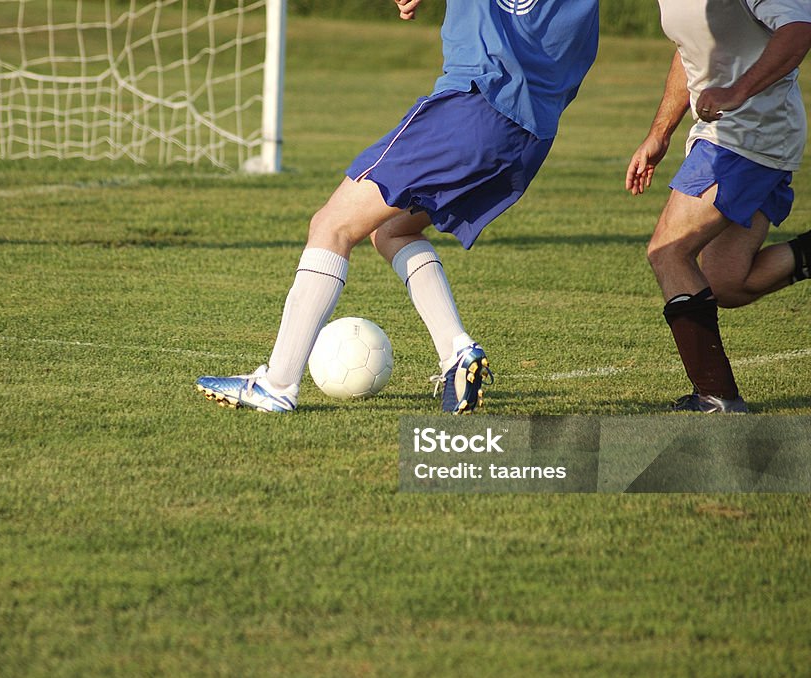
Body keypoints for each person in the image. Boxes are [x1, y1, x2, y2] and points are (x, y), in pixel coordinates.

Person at [195, 0, 600, 413]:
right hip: (530, 136)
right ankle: (458, 354)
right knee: (392, 230)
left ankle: (277, 383)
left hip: (475, 104)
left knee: (331, 226)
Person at [626, 1, 811, 413]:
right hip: (723, 134)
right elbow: (688, 49)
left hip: (750, 137)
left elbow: (798, 29)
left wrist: (737, 91)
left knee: (668, 251)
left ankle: (717, 398)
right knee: (727, 282)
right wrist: (660, 133)